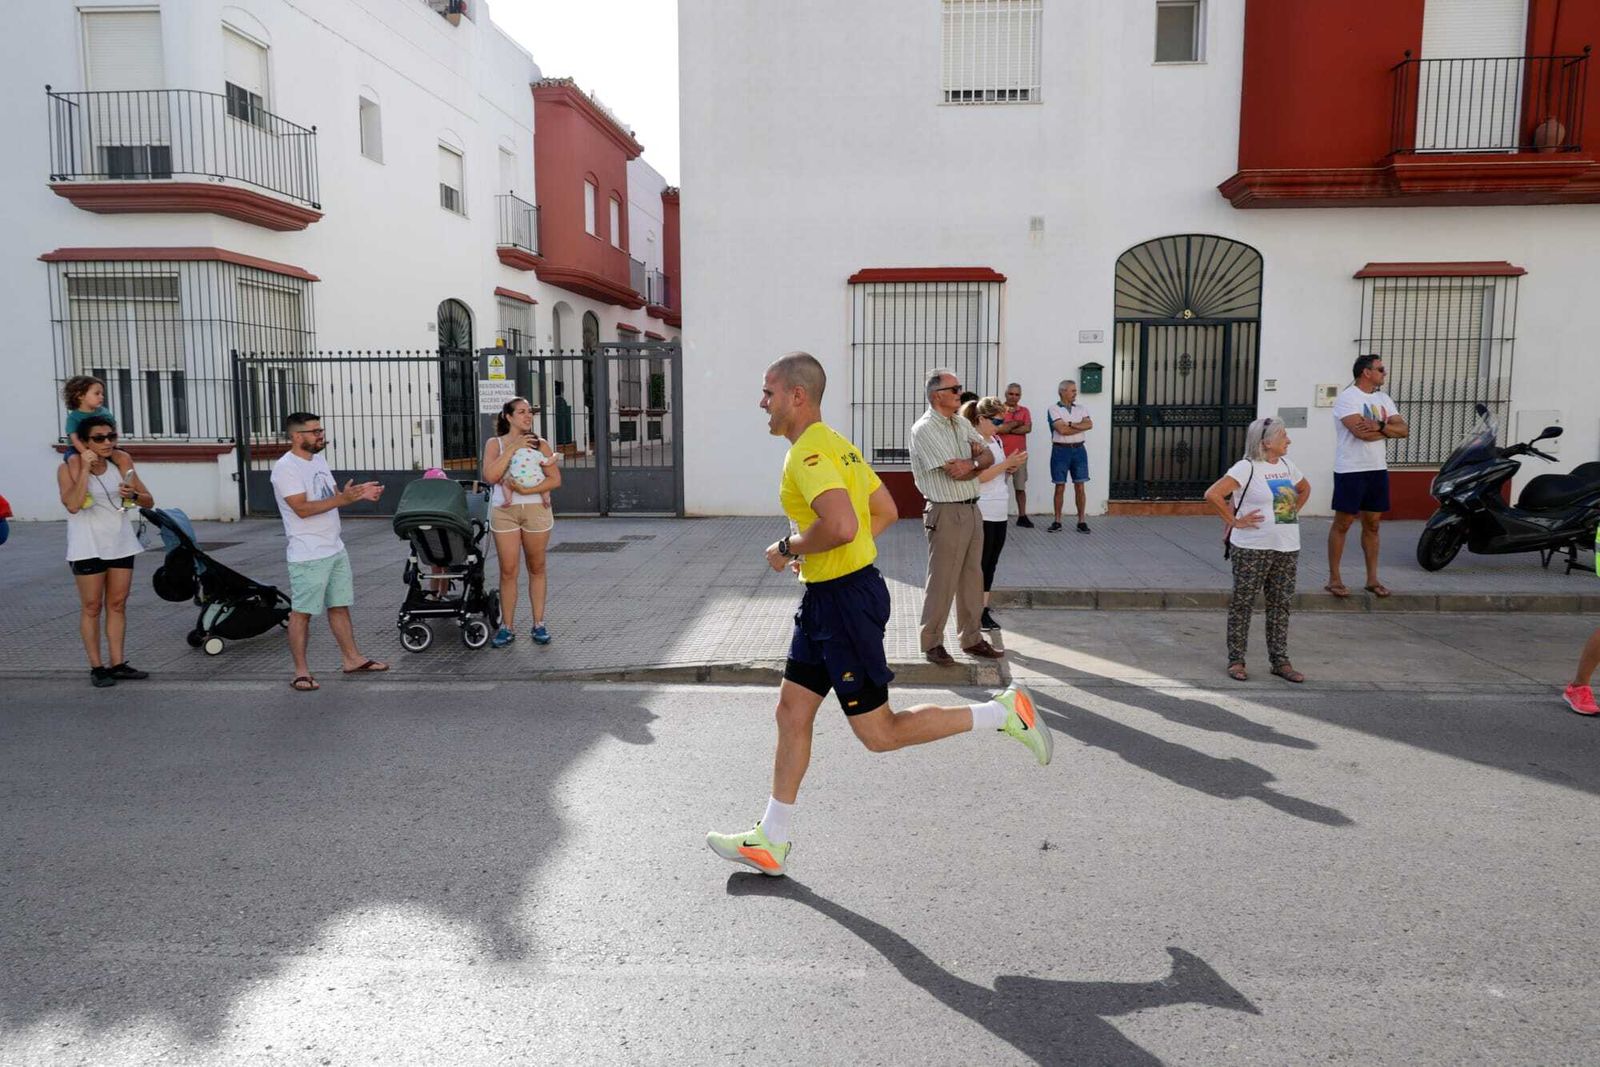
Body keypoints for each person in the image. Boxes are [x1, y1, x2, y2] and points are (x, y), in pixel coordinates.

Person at [705, 352, 1052, 877]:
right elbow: (883, 512)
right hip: (828, 598)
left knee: (879, 733)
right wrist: (827, 557)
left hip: (844, 602)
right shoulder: (836, 445)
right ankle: (770, 840)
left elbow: (844, 527)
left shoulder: (808, 455)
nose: (763, 403)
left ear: (797, 395)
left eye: (768, 392)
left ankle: (1004, 713)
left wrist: (789, 547)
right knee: (791, 714)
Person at [270, 412, 388, 692]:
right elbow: (301, 509)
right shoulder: (286, 468)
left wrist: (360, 494)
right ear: (297, 436)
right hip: (308, 553)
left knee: (339, 605)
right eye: (314, 432)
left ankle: (352, 659)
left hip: (333, 546)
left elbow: (333, 495)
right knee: (302, 612)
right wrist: (342, 498)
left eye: (320, 430)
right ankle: (301, 671)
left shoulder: (318, 460)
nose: (320, 435)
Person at [1204, 417, 1312, 683]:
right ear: (1266, 442)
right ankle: (1236, 660)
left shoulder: (1287, 465)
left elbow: (1304, 488)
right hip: (1252, 547)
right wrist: (1234, 522)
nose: (1289, 440)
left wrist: (1292, 512)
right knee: (1243, 603)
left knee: (1281, 604)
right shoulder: (1247, 467)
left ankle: (1280, 661)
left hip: (1286, 546)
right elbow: (1213, 495)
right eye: (1283, 436)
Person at [908, 369, 1004, 665]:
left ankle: (971, 638)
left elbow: (987, 457)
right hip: (946, 511)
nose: (960, 393)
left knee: (972, 578)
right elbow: (954, 472)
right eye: (954, 389)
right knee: (942, 580)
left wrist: (971, 462)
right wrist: (973, 463)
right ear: (937, 395)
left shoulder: (961, 422)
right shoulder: (924, 429)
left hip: (972, 508)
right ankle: (932, 643)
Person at [56, 415, 152, 687]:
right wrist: (85, 469)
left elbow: (149, 500)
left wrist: (132, 494)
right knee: (92, 606)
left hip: (120, 542)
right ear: (85, 443)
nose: (107, 442)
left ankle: (118, 662)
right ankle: (97, 667)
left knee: (118, 604)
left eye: (111, 436)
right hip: (87, 545)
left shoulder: (121, 464)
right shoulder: (69, 469)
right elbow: (73, 505)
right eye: (99, 438)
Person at [481, 396, 563, 647]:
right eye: (521, 412)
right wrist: (514, 447)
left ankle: (538, 623)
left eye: (530, 412)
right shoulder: (494, 444)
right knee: (508, 570)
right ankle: (507, 626)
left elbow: (555, 479)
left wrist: (527, 492)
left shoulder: (542, 444)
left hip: (536, 510)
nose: (528, 416)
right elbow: (491, 476)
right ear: (508, 417)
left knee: (536, 567)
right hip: (504, 512)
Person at [1327, 353, 1408, 598]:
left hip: (1377, 469)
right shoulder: (1348, 399)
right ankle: (1334, 578)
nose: (1385, 373)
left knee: (1373, 524)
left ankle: (1372, 579)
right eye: (1381, 369)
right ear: (1366, 372)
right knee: (1344, 522)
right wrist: (1389, 432)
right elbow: (1361, 433)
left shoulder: (1384, 399)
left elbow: (1404, 430)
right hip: (1351, 469)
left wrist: (1381, 426)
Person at [963, 396, 1027, 631]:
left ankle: (983, 610)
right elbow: (978, 477)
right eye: (997, 420)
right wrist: (1004, 464)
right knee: (979, 563)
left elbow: (998, 473)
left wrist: (1011, 466)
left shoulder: (996, 439)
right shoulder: (975, 442)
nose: (1001, 425)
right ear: (981, 419)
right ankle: (972, 611)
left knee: (991, 563)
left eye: (1003, 420)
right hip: (983, 509)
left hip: (1000, 508)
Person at [1045, 379, 1092, 533]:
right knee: (1060, 486)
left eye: (1075, 390)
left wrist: (1070, 424)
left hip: (1079, 450)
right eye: (1072, 390)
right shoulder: (1053, 409)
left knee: (1080, 485)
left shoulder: (1081, 408)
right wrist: (1079, 426)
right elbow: (1061, 430)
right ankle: (1057, 521)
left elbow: (1089, 424)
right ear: (1062, 391)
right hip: (1061, 451)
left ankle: (1081, 521)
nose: (1075, 393)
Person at [997, 382, 1033, 527]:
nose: (1014, 397)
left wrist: (1008, 428)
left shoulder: (1024, 410)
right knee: (998, 487)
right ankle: (999, 516)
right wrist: (1016, 424)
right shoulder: (998, 410)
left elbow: (1028, 428)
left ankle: (1022, 516)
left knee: (1020, 488)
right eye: (1011, 393)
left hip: (1020, 455)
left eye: (1017, 394)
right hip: (1001, 455)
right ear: (1005, 394)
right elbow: (998, 428)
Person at [61, 375, 114, 465]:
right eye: (97, 393)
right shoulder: (73, 418)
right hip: (77, 448)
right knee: (74, 460)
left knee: (122, 456)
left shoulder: (105, 412)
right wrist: (86, 452)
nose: (101, 397)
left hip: (103, 446)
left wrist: (113, 444)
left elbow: (114, 428)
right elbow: (74, 439)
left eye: (102, 394)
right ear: (80, 395)